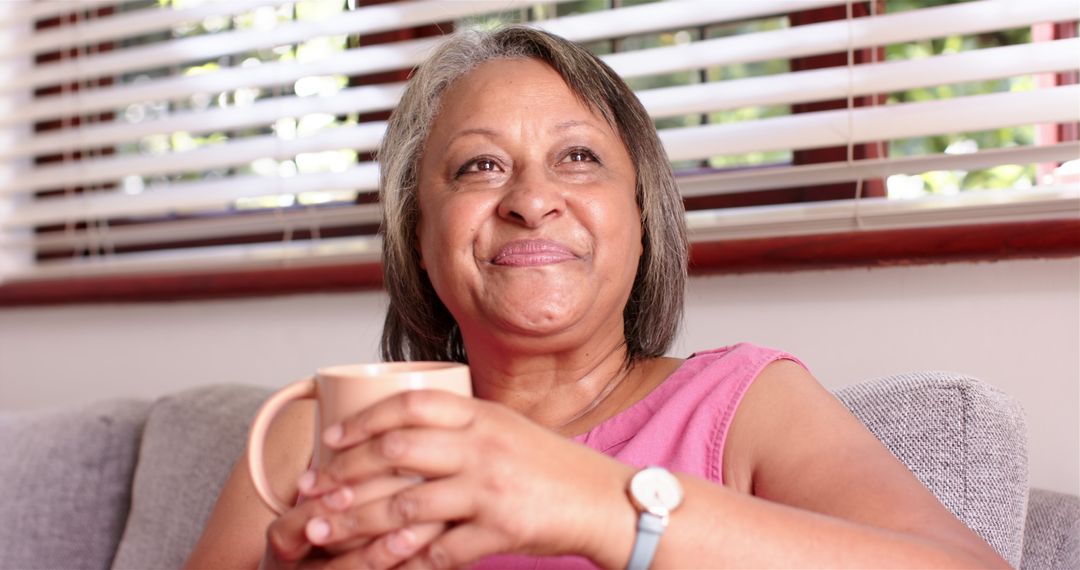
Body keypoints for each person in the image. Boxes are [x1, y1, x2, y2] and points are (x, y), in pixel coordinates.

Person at [186, 26, 1008, 569]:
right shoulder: (313, 431)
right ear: (418, 236)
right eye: (479, 167)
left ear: (642, 219)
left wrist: (605, 506)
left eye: (578, 158)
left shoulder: (746, 402)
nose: (532, 199)